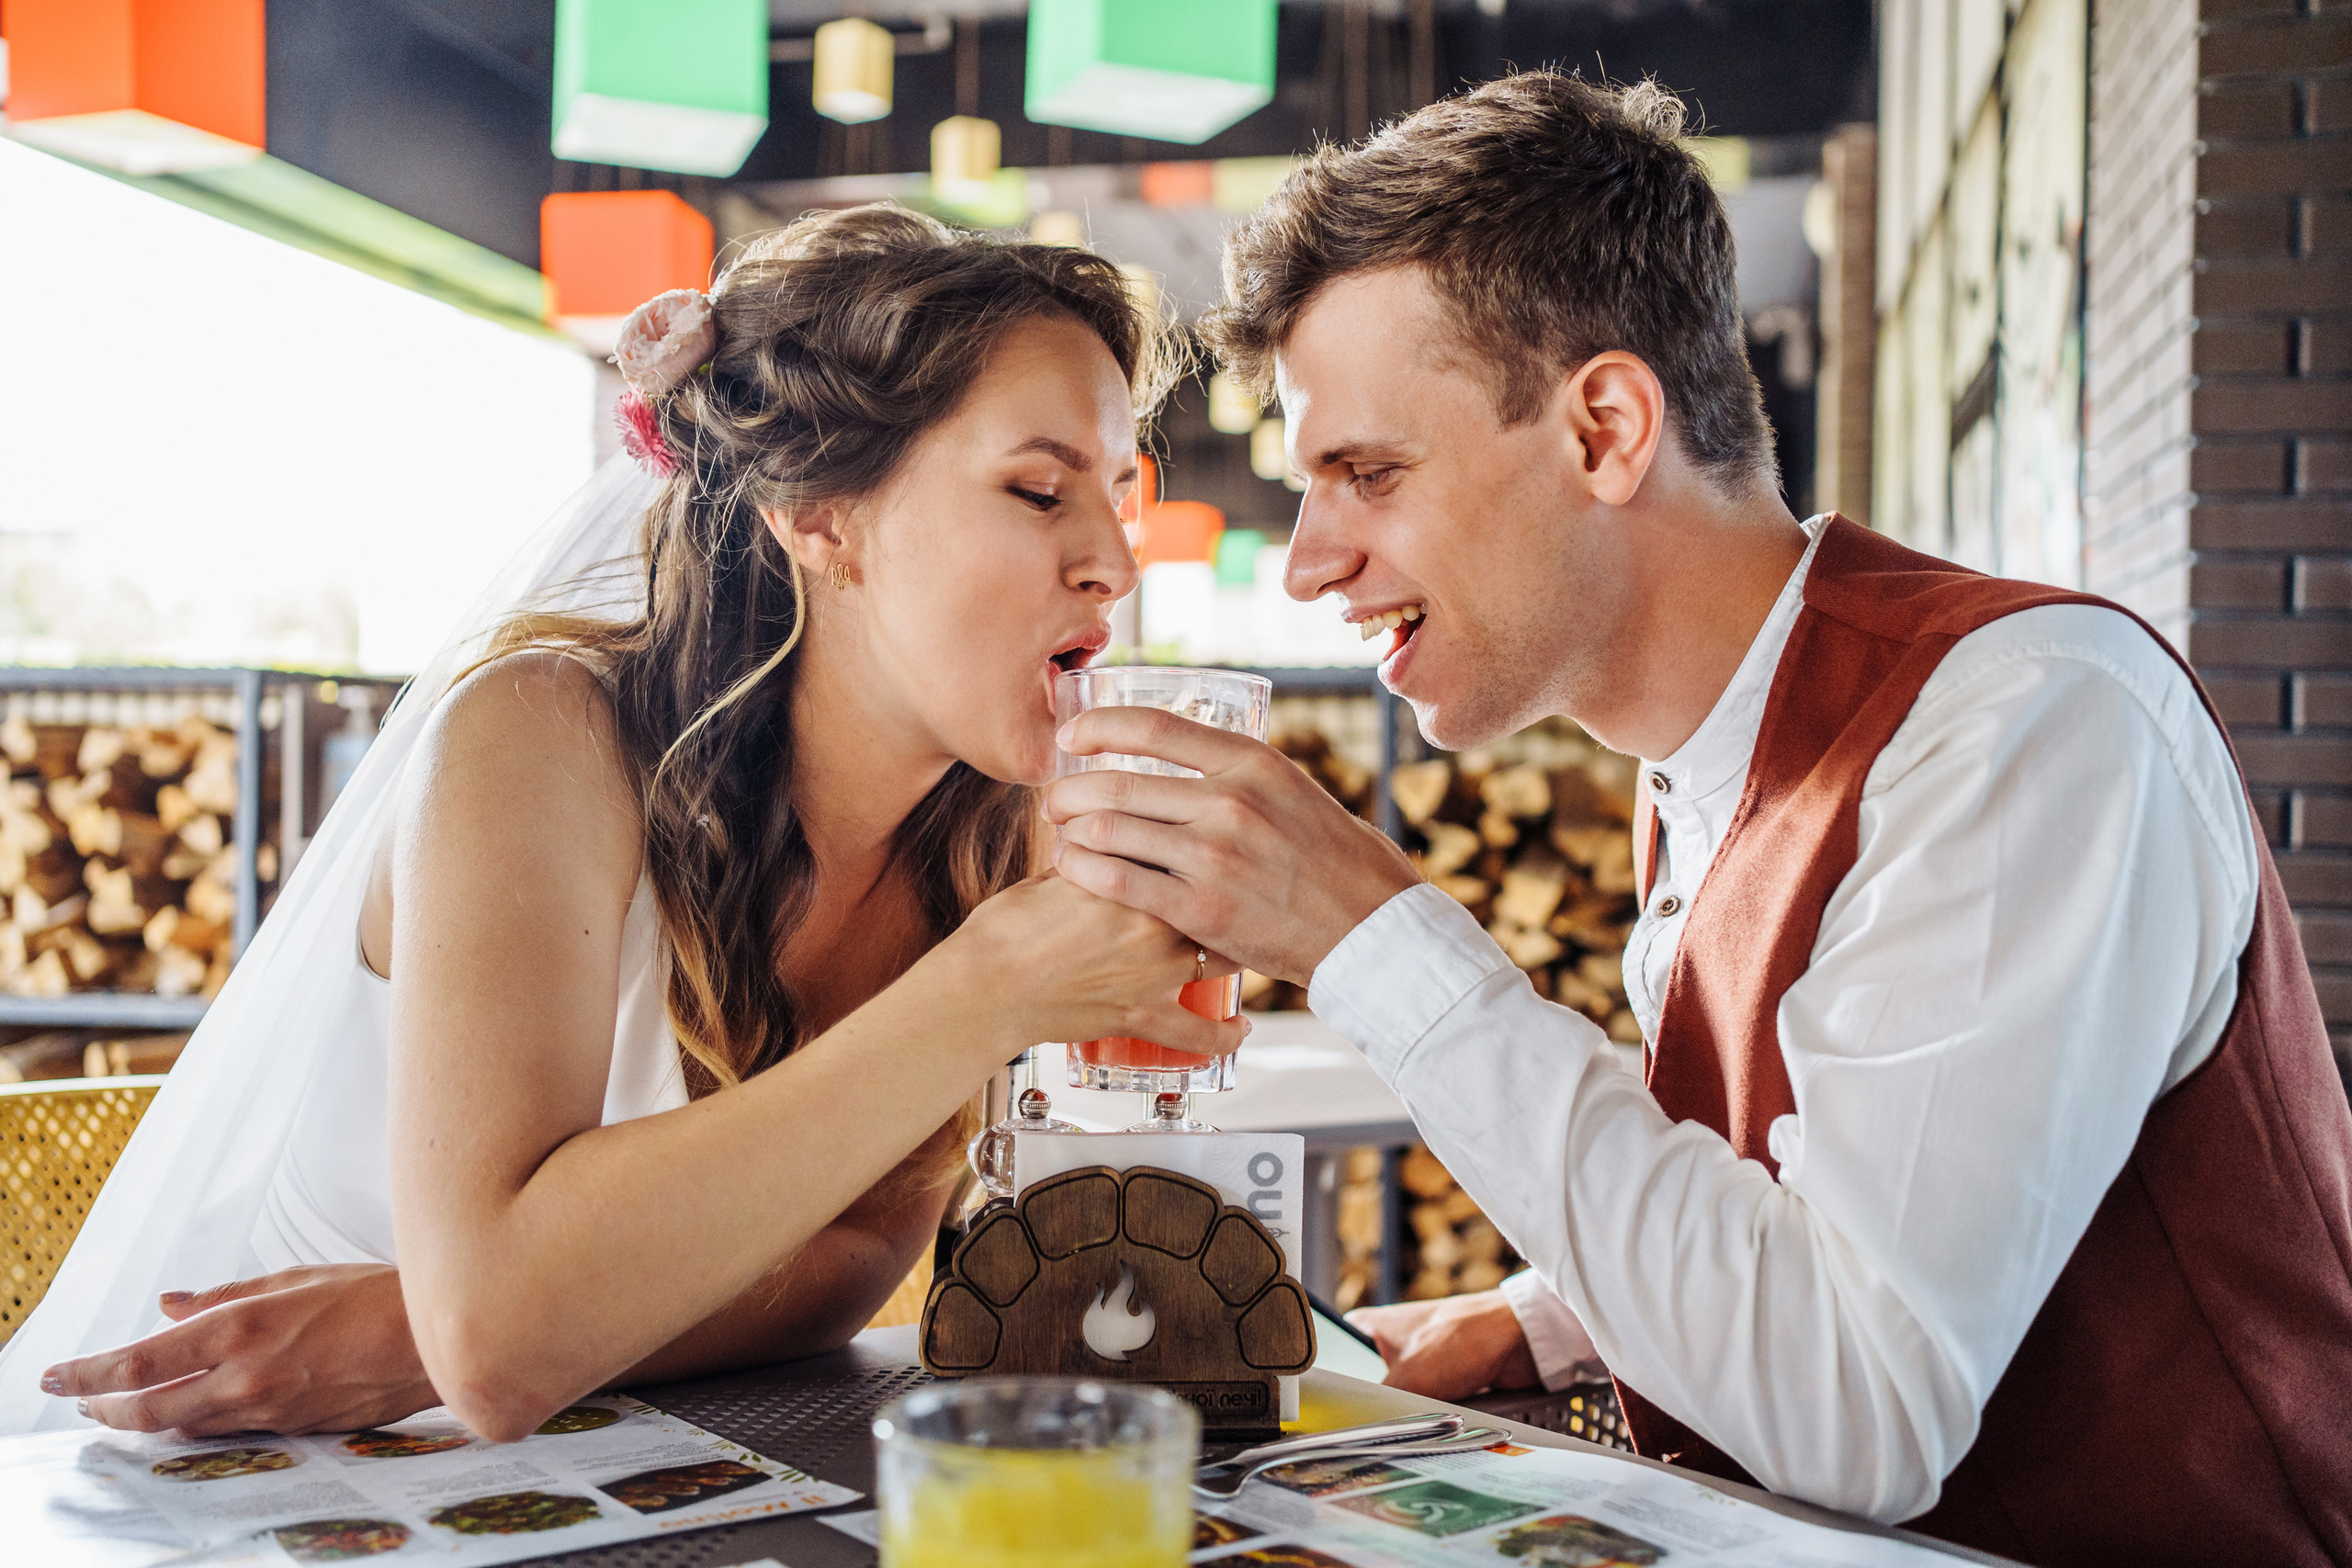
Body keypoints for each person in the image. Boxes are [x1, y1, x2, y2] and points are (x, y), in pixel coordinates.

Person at [1044, 73, 2352, 1567]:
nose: (1309, 565)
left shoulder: (2030, 720)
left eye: (1369, 474)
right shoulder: (1713, 747)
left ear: (1605, 428)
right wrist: (1542, 1318)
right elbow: (1855, 1203)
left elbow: (1863, 1405)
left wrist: (1370, 931)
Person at [0, 206, 1244, 1441]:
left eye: (1119, 494)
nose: (1113, 565)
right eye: (1038, 490)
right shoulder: (540, 740)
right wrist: (989, 992)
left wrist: (418, 1336)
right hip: (243, 1451)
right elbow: (495, 1344)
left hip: (602, 1448)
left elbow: (854, 1259)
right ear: (820, 521)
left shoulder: (990, 833)